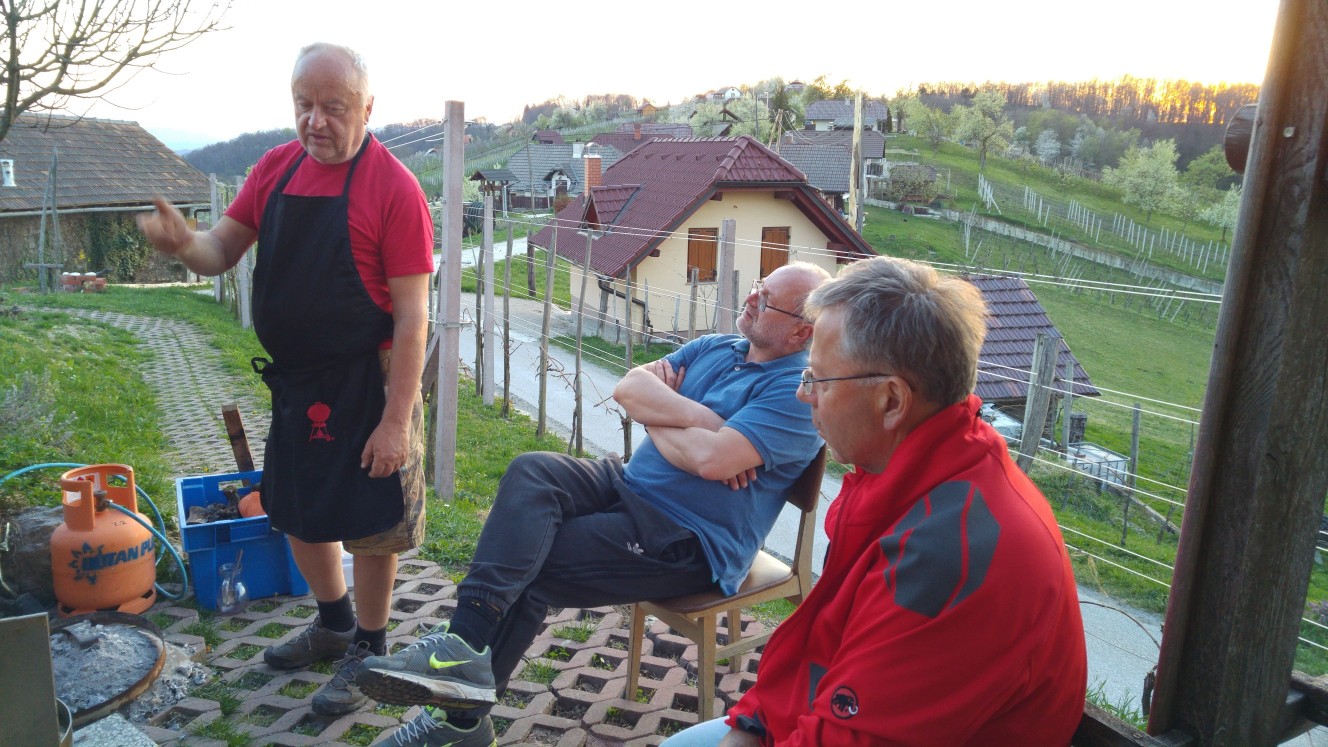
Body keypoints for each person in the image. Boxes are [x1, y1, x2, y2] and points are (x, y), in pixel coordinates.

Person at [356, 262, 831, 747]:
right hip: (629, 485)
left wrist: (659, 414)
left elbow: (710, 461)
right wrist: (705, 419)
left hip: (689, 538)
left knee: (534, 562)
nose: (751, 299)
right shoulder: (717, 346)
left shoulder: (798, 393)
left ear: (803, 331)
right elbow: (628, 389)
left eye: (766, 300)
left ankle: (460, 720)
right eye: (757, 288)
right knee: (533, 470)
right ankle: (462, 648)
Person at [662, 256, 1088, 746]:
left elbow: (856, 735)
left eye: (816, 379)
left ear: (891, 401)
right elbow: (821, 647)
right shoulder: (908, 476)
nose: (804, 396)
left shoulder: (948, 549)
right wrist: (754, 721)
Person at [137, 42, 434, 717]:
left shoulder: (395, 189)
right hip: (299, 381)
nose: (315, 121)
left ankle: (371, 646)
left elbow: (415, 318)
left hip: (371, 377)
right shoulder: (274, 170)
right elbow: (220, 250)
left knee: (370, 520)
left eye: (333, 107)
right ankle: (333, 622)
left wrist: (395, 419)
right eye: (304, 105)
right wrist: (186, 243)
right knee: (294, 503)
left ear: (366, 108)